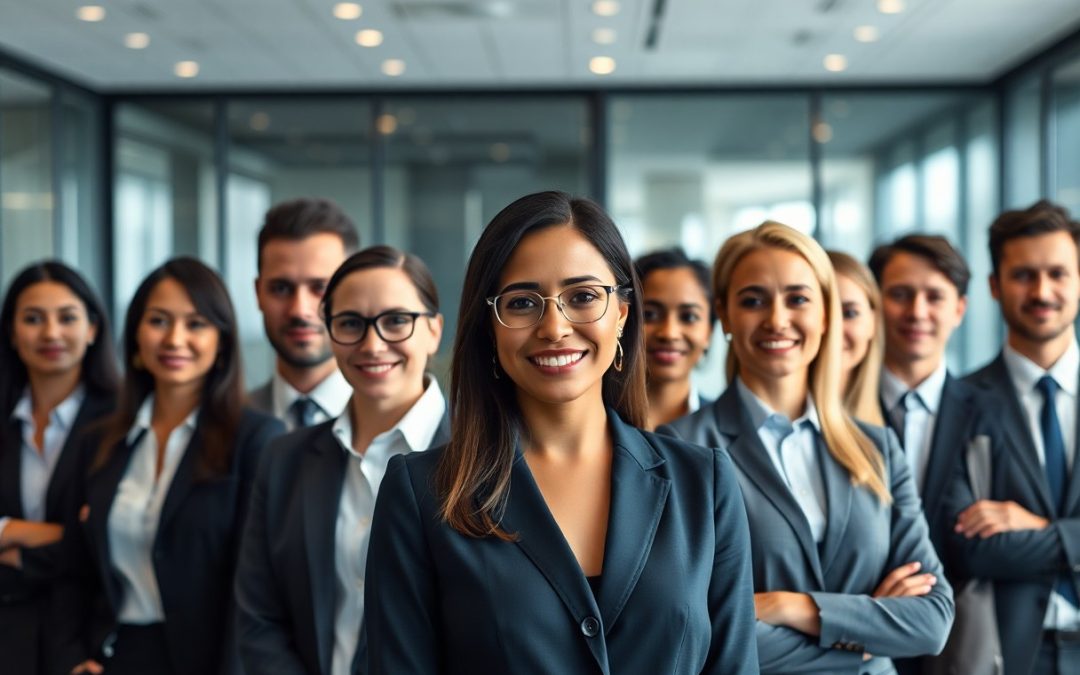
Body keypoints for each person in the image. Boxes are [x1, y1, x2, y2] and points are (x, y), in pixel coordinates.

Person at [364, 191, 758, 674]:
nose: (554, 327)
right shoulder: (421, 493)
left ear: (622, 315)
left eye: (584, 297)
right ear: (490, 326)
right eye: (524, 302)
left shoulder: (706, 484)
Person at [661, 221, 953, 674]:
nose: (777, 320)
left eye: (797, 299)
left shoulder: (876, 447)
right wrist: (867, 638)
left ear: (824, 313)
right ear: (725, 314)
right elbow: (694, 631)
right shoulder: (679, 449)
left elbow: (932, 621)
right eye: (753, 300)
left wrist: (791, 607)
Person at [34, 257, 284, 675]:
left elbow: (251, 589)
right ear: (135, 335)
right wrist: (71, 658)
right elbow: (73, 572)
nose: (174, 339)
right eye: (158, 321)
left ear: (222, 340)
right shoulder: (99, 441)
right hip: (112, 657)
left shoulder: (256, 439)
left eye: (196, 324)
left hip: (204, 661)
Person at [236, 245, 449, 675]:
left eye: (395, 321)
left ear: (434, 331)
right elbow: (258, 618)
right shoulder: (283, 459)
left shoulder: (490, 458)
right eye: (351, 323)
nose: (372, 345)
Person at [956, 200, 1080, 674]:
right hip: (1007, 658)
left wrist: (1040, 530)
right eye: (1023, 275)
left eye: (1058, 273)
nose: (1042, 290)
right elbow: (969, 546)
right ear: (994, 285)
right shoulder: (960, 403)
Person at [0, 261, 119, 675]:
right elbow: (82, 538)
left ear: (92, 329)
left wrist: (10, 538)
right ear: (13, 334)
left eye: (67, 318)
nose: (51, 333)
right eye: (33, 319)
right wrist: (66, 535)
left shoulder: (123, 422)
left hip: (85, 646)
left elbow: (108, 544)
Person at [867, 235, 989, 568]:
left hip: (967, 610)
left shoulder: (992, 411)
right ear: (874, 303)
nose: (917, 312)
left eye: (934, 297)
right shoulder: (836, 410)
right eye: (900, 295)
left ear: (959, 309)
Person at [249, 198, 358, 430]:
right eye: (281, 288)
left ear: (352, 293)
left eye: (320, 288)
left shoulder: (394, 424)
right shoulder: (225, 423)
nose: (299, 310)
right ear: (258, 293)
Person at [634, 247, 715, 430]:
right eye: (650, 315)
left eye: (689, 317)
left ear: (709, 331)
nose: (669, 333)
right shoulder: (596, 421)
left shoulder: (725, 429)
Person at [826, 250, 884, 426]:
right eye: (823, 312)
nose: (834, 329)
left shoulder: (887, 431)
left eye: (849, 313)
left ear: (873, 321)